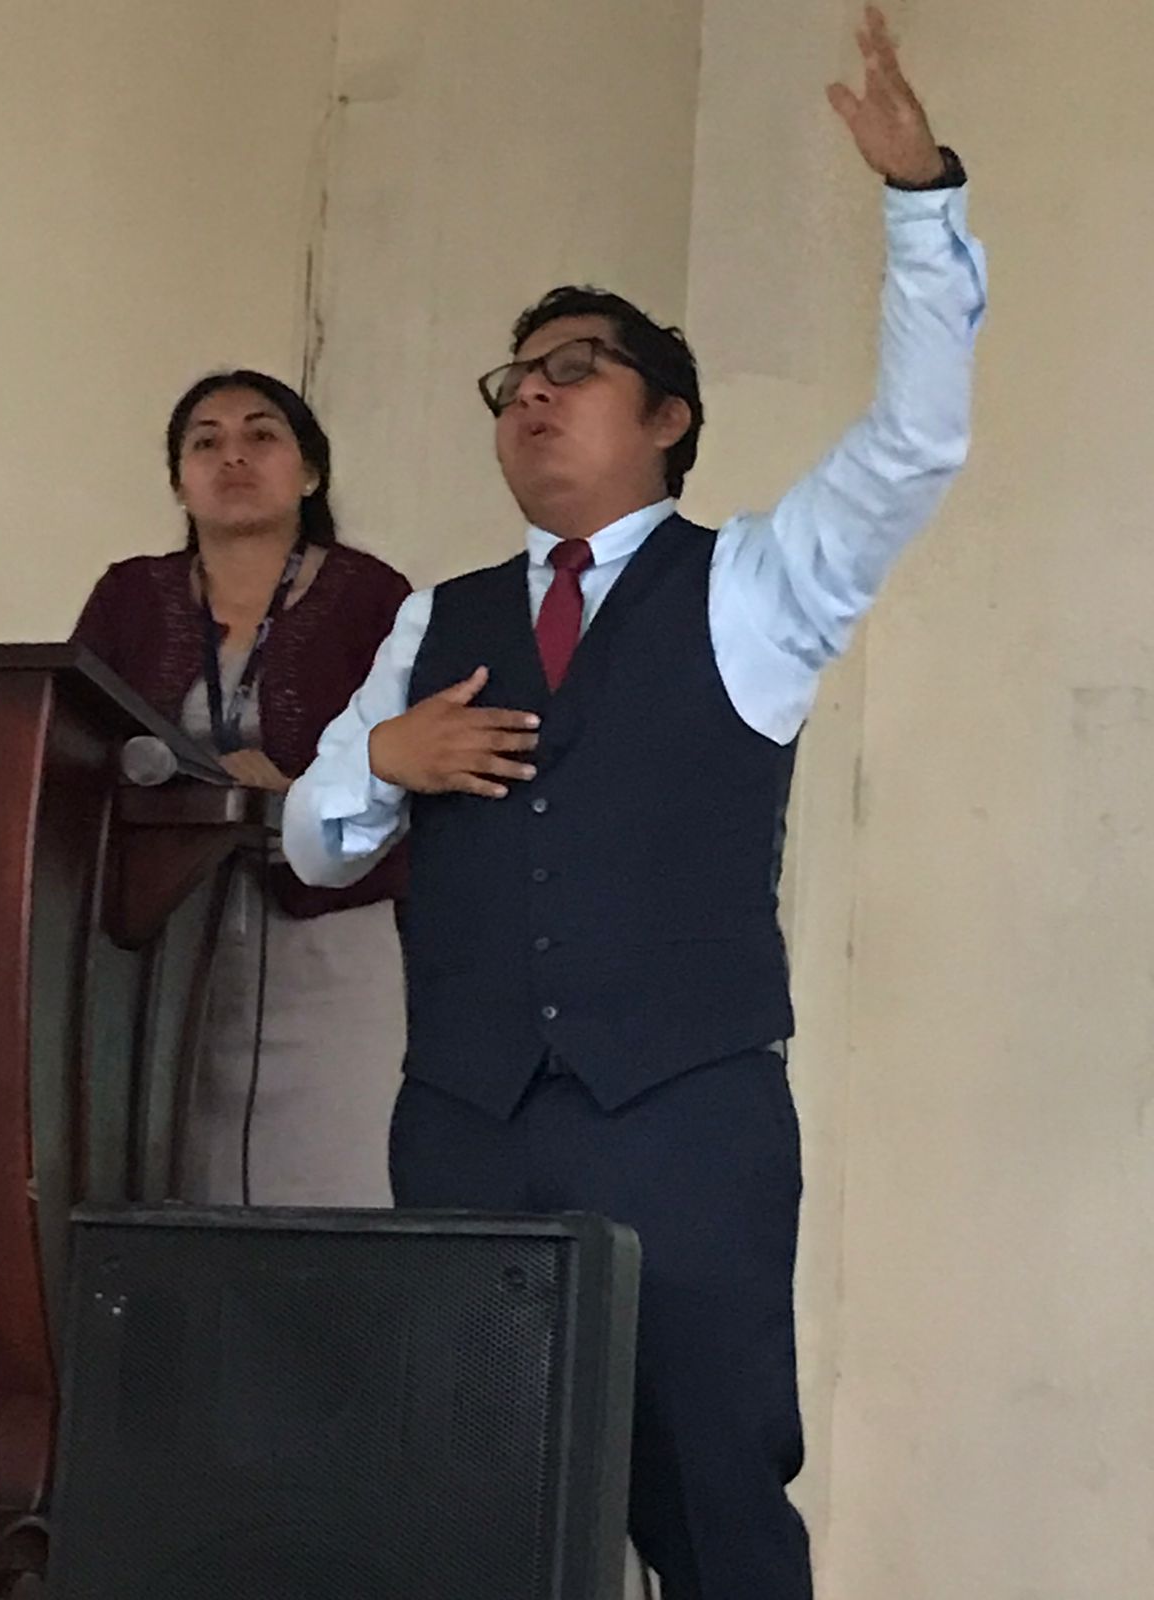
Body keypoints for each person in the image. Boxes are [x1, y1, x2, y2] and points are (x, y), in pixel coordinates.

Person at [282, 10, 987, 1596]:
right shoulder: (435, 618)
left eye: (571, 371)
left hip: (682, 1119)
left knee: (709, 1495)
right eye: (511, 381)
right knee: (462, 1506)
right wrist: (378, 766)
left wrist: (920, 202)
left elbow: (915, 442)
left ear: (666, 417)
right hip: (464, 1118)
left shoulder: (757, 585)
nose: (529, 399)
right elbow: (310, 840)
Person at [74, 370, 410, 1207]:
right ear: (178, 483)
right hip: (159, 938)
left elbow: (411, 763)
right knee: (170, 1174)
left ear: (310, 472)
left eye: (261, 435)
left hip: (326, 933)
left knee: (329, 1175)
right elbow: (72, 748)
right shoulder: (128, 596)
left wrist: (301, 794)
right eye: (206, 442)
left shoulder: (375, 598)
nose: (233, 456)